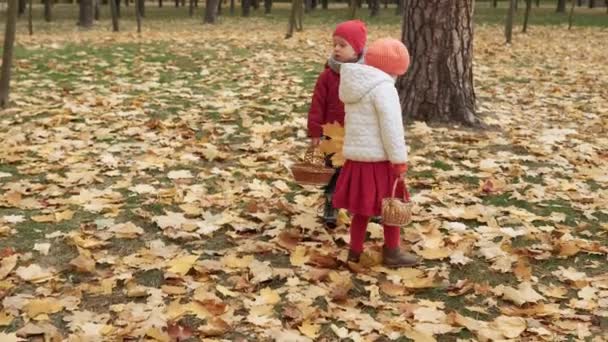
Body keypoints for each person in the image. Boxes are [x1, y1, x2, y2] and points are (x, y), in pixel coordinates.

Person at [332, 38, 417, 268]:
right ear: (395, 69)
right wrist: (399, 161)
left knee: (362, 209)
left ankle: (355, 252)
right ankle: (392, 251)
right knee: (392, 205)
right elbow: (392, 129)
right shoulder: (384, 89)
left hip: (357, 158)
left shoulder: (355, 84)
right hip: (379, 159)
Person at [307, 20, 367, 229]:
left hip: (359, 133)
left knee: (359, 171)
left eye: (343, 45)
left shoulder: (366, 74)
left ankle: (361, 206)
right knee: (334, 171)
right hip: (333, 134)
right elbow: (317, 104)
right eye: (335, 44)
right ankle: (331, 204)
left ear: (357, 49)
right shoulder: (328, 75)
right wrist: (315, 131)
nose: (336, 49)